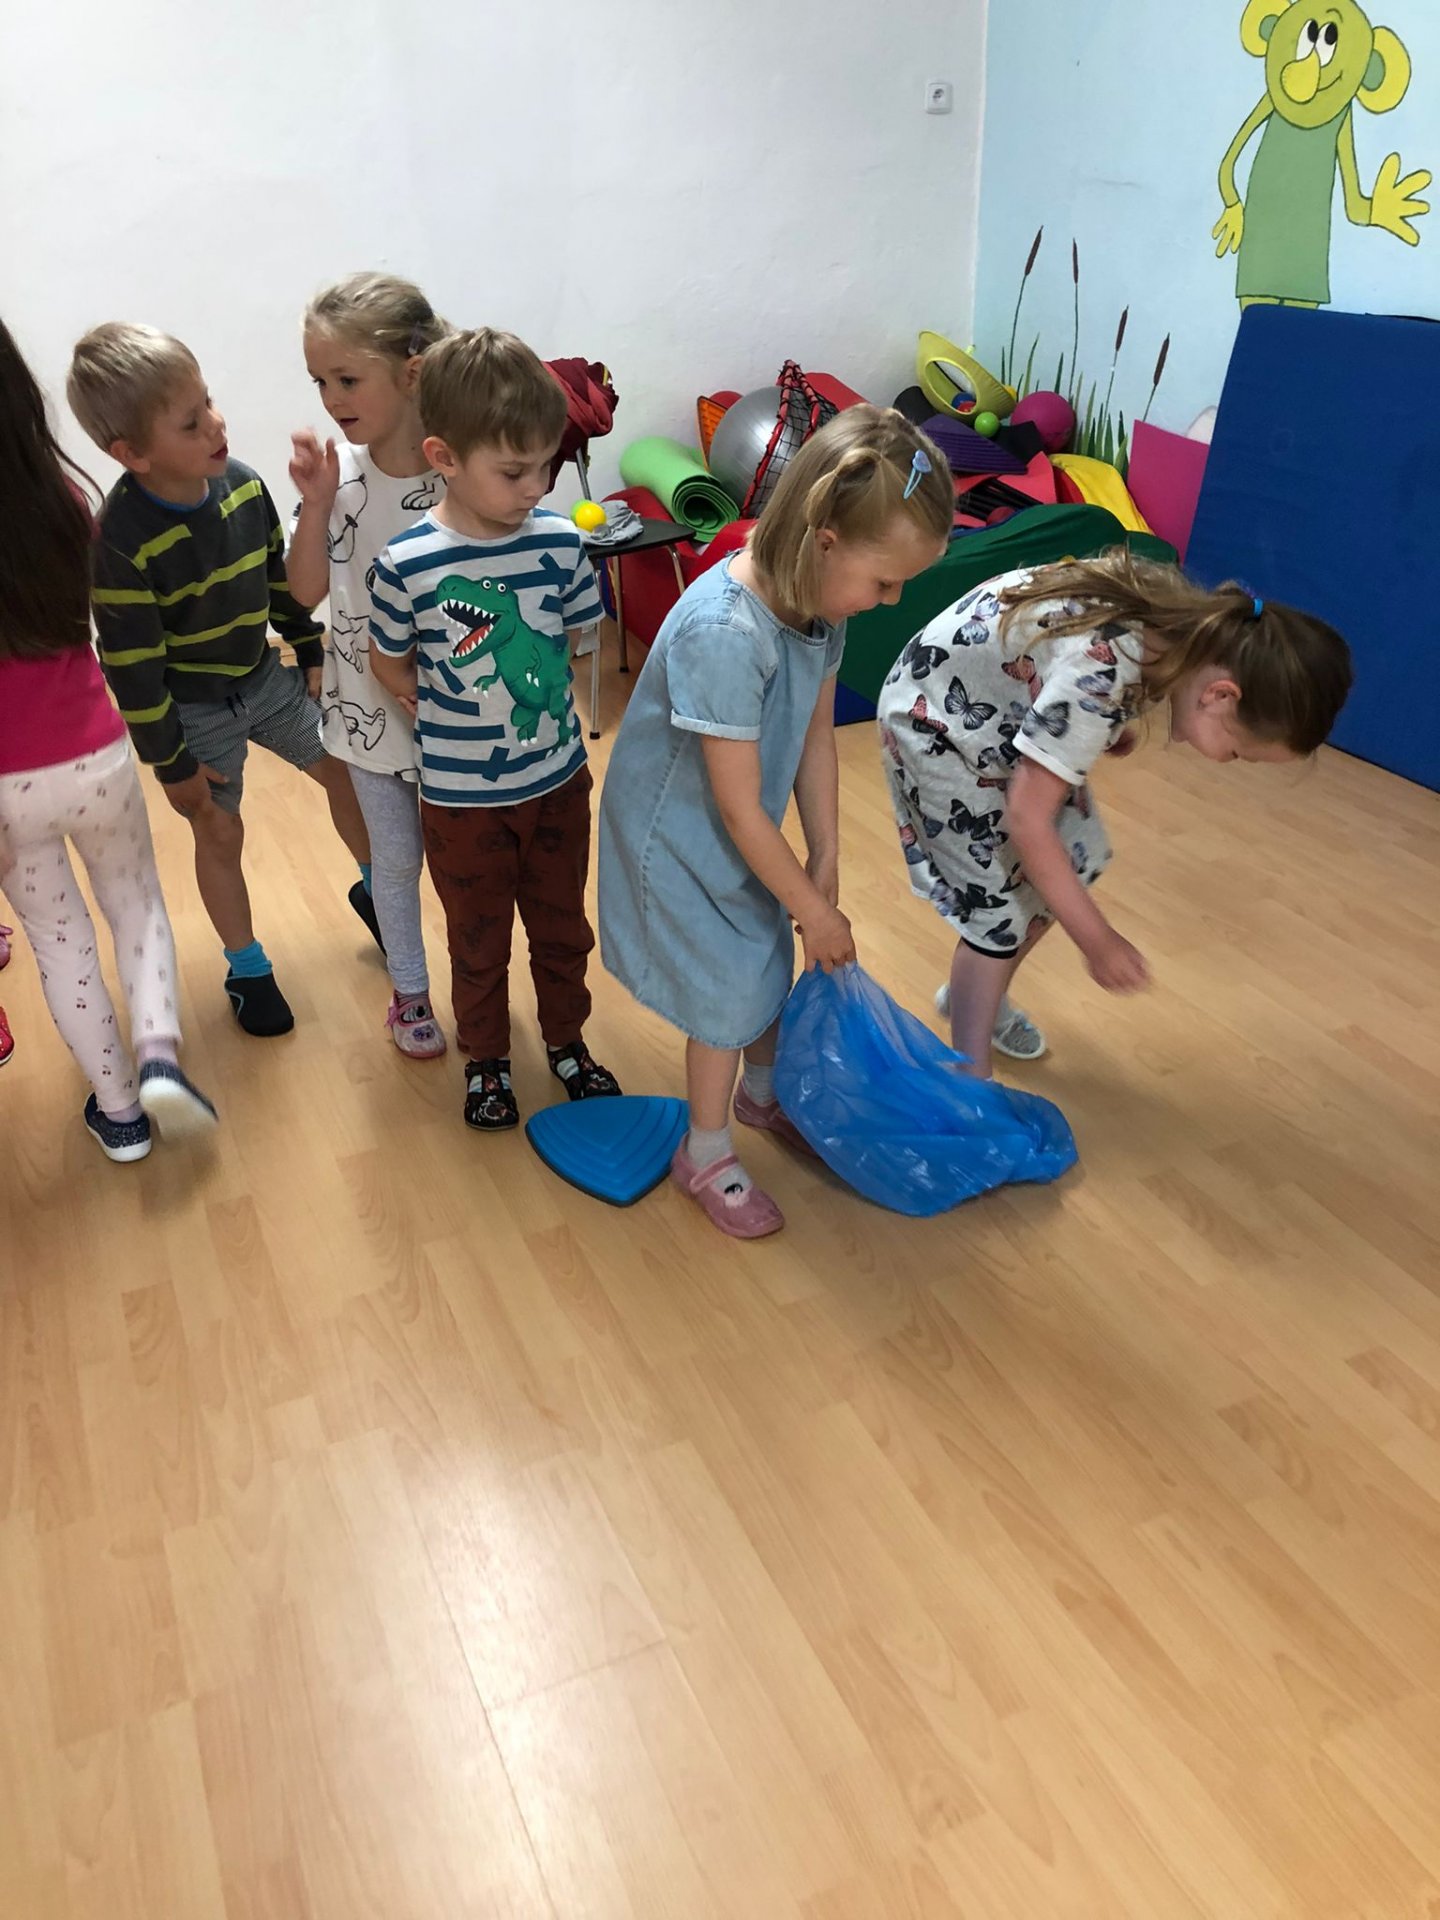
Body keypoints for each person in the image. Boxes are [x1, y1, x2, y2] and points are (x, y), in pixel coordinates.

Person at [599, 405, 953, 1239]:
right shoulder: (727, 632)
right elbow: (730, 804)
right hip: (676, 835)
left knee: (762, 958)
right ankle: (705, 1152)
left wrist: (823, 857)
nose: (891, 600)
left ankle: (760, 1096)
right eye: (885, 582)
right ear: (825, 541)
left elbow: (814, 739)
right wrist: (812, 908)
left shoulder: (820, 610)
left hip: (739, 821)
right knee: (727, 991)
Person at [877, 552, 1353, 1079]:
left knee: (1072, 863)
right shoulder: (1103, 677)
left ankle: (975, 997)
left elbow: (1063, 658)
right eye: (1237, 751)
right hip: (937, 727)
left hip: (997, 717)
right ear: (1221, 695)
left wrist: (1107, 726)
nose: (1227, 761)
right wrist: (1097, 941)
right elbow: (1028, 820)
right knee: (999, 917)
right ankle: (970, 1079)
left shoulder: (1183, 628)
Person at [67, 322, 377, 1038]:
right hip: (192, 711)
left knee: (343, 769)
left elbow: (278, 581)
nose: (216, 423)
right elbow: (131, 668)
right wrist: (172, 765)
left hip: (263, 677)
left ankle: (375, 893)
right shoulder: (120, 542)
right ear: (132, 454)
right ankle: (247, 967)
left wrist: (310, 649)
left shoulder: (242, 486)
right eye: (191, 421)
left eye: (208, 402)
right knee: (219, 829)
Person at [369, 327, 621, 1129]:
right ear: (443, 456)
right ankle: (486, 1060)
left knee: (562, 929)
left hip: (557, 785)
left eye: (547, 466)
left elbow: (578, 637)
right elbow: (387, 661)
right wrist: (421, 700)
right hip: (461, 802)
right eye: (514, 471)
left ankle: (567, 1042)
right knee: (477, 942)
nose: (535, 488)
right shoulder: (405, 563)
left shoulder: (561, 542)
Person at [0, 317, 215, 1160]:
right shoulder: (64, 497)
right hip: (94, 754)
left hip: (6, 788)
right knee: (137, 906)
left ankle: (120, 1114)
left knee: (60, 944)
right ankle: (159, 1050)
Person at [287, 272, 450, 1058]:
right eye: (319, 381)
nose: (331, 398)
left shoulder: (462, 469)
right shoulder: (340, 476)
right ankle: (410, 995)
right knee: (395, 861)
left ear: (412, 371)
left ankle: (480, 992)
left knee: (465, 866)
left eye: (347, 379)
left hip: (454, 715)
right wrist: (317, 503)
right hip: (366, 716)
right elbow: (304, 591)